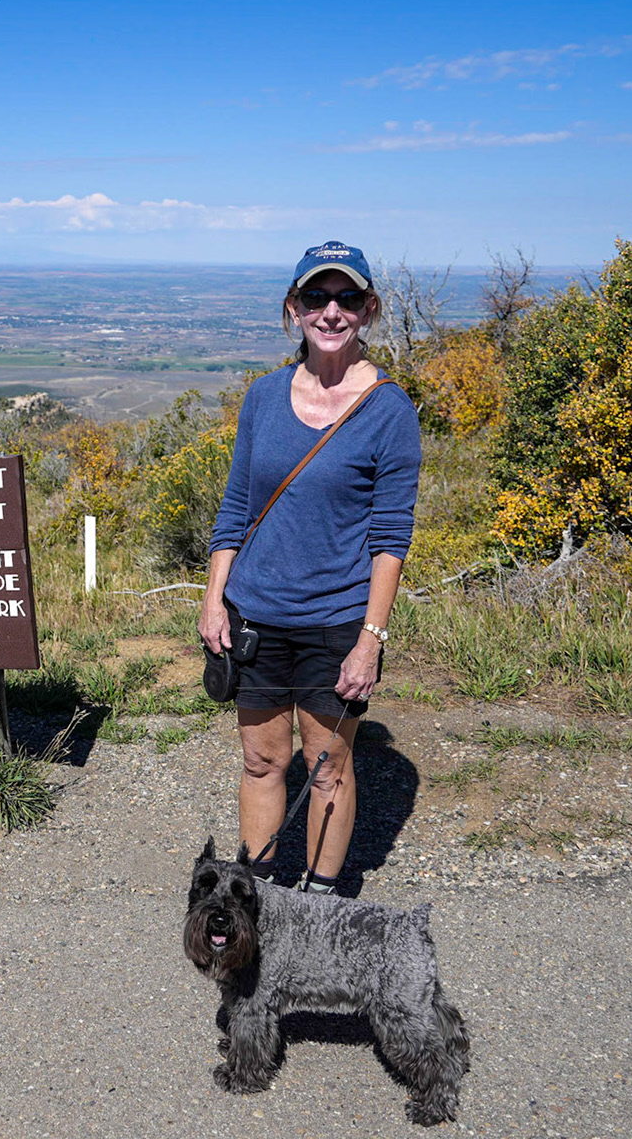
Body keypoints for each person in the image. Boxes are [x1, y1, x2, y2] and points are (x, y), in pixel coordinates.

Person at [199, 241, 421, 893]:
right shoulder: (263, 399)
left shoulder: (388, 410)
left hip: (335, 622)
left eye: (347, 297)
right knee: (263, 761)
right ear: (292, 308)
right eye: (316, 297)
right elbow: (236, 505)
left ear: (369, 309)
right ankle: (260, 899)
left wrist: (370, 641)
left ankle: (320, 910)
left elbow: (390, 537)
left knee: (327, 770)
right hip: (256, 617)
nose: (331, 311)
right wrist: (215, 599)